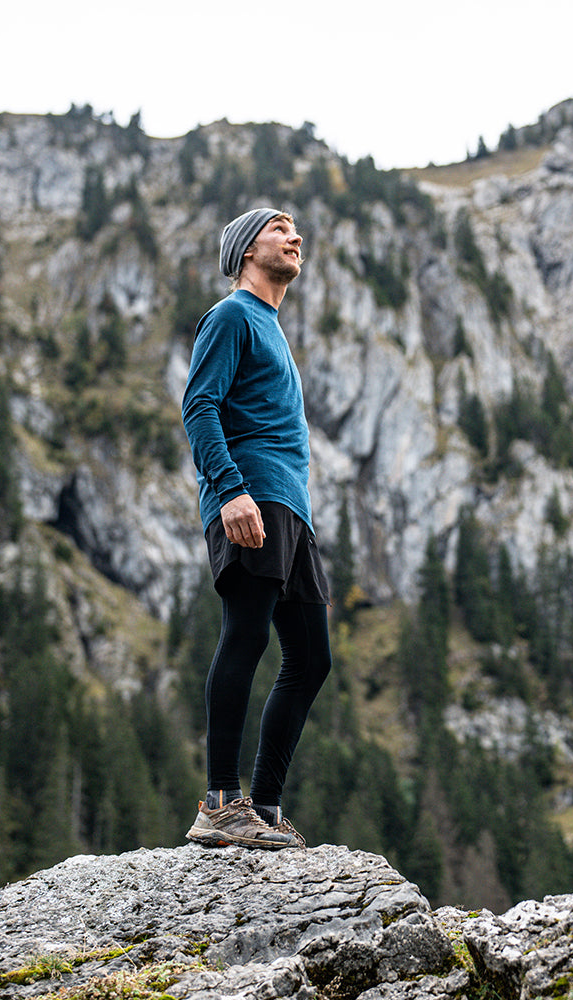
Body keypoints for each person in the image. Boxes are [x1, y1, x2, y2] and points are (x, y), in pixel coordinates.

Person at [181, 207, 332, 850]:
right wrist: (230, 492)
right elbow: (199, 405)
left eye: (295, 231)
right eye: (281, 229)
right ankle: (219, 802)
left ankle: (264, 808)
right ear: (247, 250)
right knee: (244, 635)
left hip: (290, 509)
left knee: (311, 658)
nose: (295, 238)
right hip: (251, 498)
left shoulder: (271, 327)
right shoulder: (233, 316)